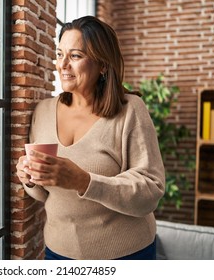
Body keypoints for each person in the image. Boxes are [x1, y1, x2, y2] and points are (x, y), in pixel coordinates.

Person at [15, 16, 165, 260]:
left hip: (125, 253)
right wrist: (29, 179)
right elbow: (43, 194)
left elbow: (150, 191)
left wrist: (83, 181)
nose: (63, 65)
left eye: (75, 56)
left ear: (103, 65)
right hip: (58, 252)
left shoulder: (130, 110)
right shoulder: (42, 112)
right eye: (60, 54)